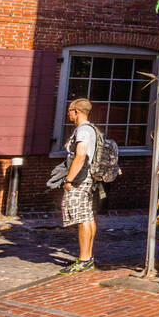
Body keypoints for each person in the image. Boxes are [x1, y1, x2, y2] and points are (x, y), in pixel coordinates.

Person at [59, 98, 99, 274]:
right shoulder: (92, 129)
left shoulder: (83, 130)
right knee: (88, 217)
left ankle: (84, 259)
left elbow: (80, 155)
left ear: (77, 112)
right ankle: (87, 257)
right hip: (89, 178)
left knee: (81, 219)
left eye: (69, 110)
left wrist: (69, 179)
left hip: (80, 180)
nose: (68, 114)